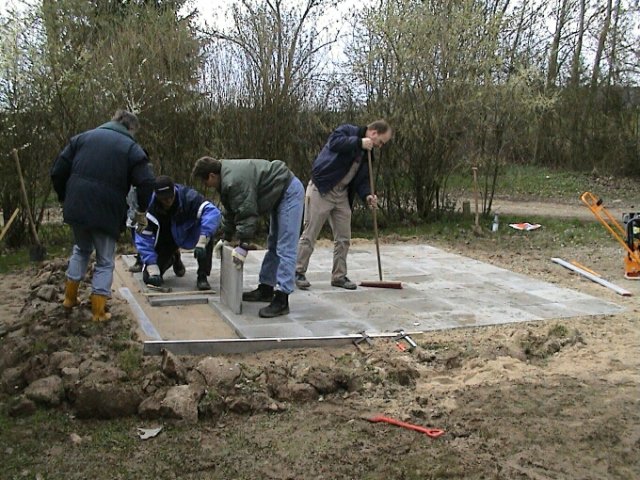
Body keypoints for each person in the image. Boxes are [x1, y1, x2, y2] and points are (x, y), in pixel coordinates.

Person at [51, 109, 154, 321]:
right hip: (106, 211)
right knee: (105, 260)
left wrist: (65, 197)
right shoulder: (131, 148)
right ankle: (98, 311)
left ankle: (69, 298)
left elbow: (58, 171)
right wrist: (142, 210)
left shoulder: (81, 138)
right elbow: (146, 182)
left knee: (80, 249)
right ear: (131, 128)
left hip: (77, 205)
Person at [191, 157, 304, 318]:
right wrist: (225, 237)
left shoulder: (233, 181)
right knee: (273, 244)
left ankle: (282, 298)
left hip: (288, 191)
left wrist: (243, 245)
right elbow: (231, 211)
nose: (206, 186)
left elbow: (247, 213)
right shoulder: (225, 179)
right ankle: (266, 288)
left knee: (285, 246)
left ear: (211, 176)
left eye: (205, 182)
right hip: (277, 194)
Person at [295, 119, 392, 290]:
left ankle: (339, 276)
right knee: (310, 233)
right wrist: (359, 142)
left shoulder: (367, 155)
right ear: (374, 133)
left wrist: (368, 195)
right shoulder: (347, 131)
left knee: (344, 238)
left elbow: (361, 181)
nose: (380, 146)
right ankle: (298, 271)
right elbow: (335, 144)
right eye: (380, 142)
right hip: (322, 189)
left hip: (342, 195)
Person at [135, 175, 221, 291]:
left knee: (207, 238)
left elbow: (212, 212)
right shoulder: (148, 207)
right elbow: (143, 237)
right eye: (164, 199)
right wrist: (151, 266)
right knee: (148, 278)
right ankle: (173, 258)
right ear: (157, 196)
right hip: (166, 239)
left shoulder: (188, 197)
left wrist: (203, 239)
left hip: (189, 232)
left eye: (171, 197)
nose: (168, 201)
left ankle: (202, 275)